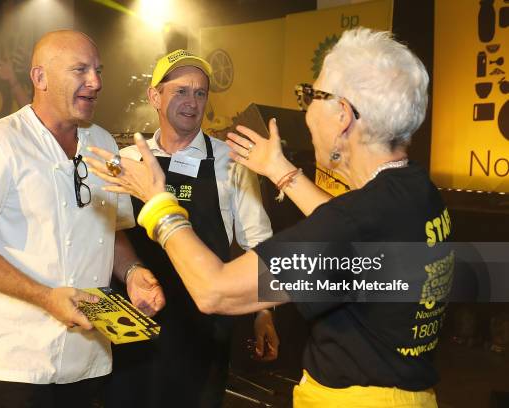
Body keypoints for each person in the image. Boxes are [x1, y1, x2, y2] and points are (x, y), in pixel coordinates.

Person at [87, 28, 454, 407]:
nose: (306, 110)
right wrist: (283, 172)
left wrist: (157, 201)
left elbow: (215, 289)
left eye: (311, 95)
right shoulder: (415, 194)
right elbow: (349, 225)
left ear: (342, 114)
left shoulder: (354, 222)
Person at [0, 30, 165, 408]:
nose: (95, 83)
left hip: (91, 356)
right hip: (18, 361)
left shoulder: (105, 145)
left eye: (98, 70)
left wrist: (133, 272)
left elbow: (109, 230)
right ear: (40, 78)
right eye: (80, 70)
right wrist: (45, 298)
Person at [104, 49, 278, 408]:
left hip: (203, 331)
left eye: (200, 93)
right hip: (136, 323)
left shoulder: (230, 161)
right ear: (155, 96)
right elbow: (109, 238)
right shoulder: (128, 161)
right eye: (181, 91)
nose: (192, 101)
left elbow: (260, 243)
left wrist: (264, 312)